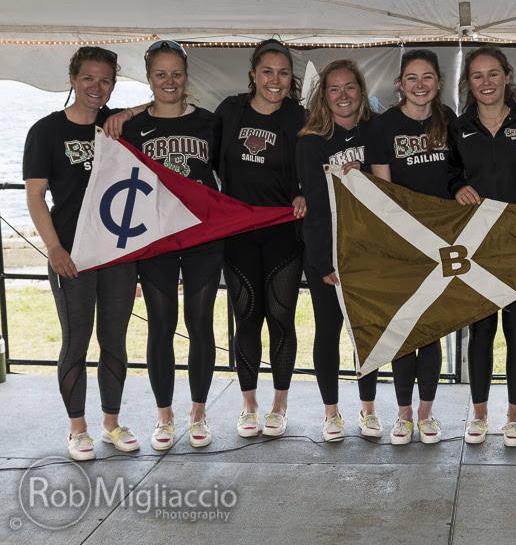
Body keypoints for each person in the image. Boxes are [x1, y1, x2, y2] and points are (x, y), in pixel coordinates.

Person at [23, 46, 140, 460]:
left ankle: (111, 423)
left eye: (105, 80)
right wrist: (53, 249)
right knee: (76, 342)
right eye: (88, 78)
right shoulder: (46, 131)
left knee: (114, 340)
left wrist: (126, 114)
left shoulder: (118, 126)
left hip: (117, 253)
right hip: (70, 254)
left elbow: (170, 103)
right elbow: (35, 195)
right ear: (72, 79)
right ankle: (78, 429)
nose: (96, 87)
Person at [116, 40, 223, 450]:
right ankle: (164, 416)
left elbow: (228, 178)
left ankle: (198, 413)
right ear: (148, 78)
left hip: (202, 238)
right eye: (160, 74)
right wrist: (127, 112)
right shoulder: (127, 125)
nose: (169, 81)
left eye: (176, 73)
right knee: (161, 326)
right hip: (155, 238)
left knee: (200, 325)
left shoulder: (210, 123)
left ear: (186, 75)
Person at [447, 45, 516, 447]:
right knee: (481, 330)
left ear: (506, 76)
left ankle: (515, 416)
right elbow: (449, 171)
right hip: (474, 245)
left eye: (493, 74)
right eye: (477, 76)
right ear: (468, 83)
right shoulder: (459, 126)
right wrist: (457, 187)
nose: (486, 82)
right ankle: (480, 413)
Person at [215, 39, 306, 438]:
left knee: (281, 318)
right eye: (267, 71)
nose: (275, 80)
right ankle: (249, 405)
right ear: (253, 74)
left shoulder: (299, 117)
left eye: (283, 73)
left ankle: (279, 405)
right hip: (238, 232)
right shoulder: (230, 111)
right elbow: (197, 147)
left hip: (284, 233)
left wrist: (304, 191)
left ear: (291, 79)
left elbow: (321, 159)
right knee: (247, 318)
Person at [367, 49, 456, 445]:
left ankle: (426, 413)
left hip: (441, 242)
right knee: (403, 328)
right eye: (412, 78)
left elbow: (459, 176)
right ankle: (403, 415)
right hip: (401, 242)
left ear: (438, 82)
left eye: (427, 77)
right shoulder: (383, 126)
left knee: (430, 329)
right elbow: (384, 192)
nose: (420, 85)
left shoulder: (451, 121)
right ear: (400, 84)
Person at [296, 59, 382, 442]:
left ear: (361, 91)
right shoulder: (311, 141)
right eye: (334, 89)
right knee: (328, 330)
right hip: (328, 254)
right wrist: (321, 260)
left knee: (368, 332)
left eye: (350, 87)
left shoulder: (378, 131)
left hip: (371, 251)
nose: (343, 95)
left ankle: (369, 410)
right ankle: (331, 413)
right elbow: (312, 205)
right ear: (323, 95)